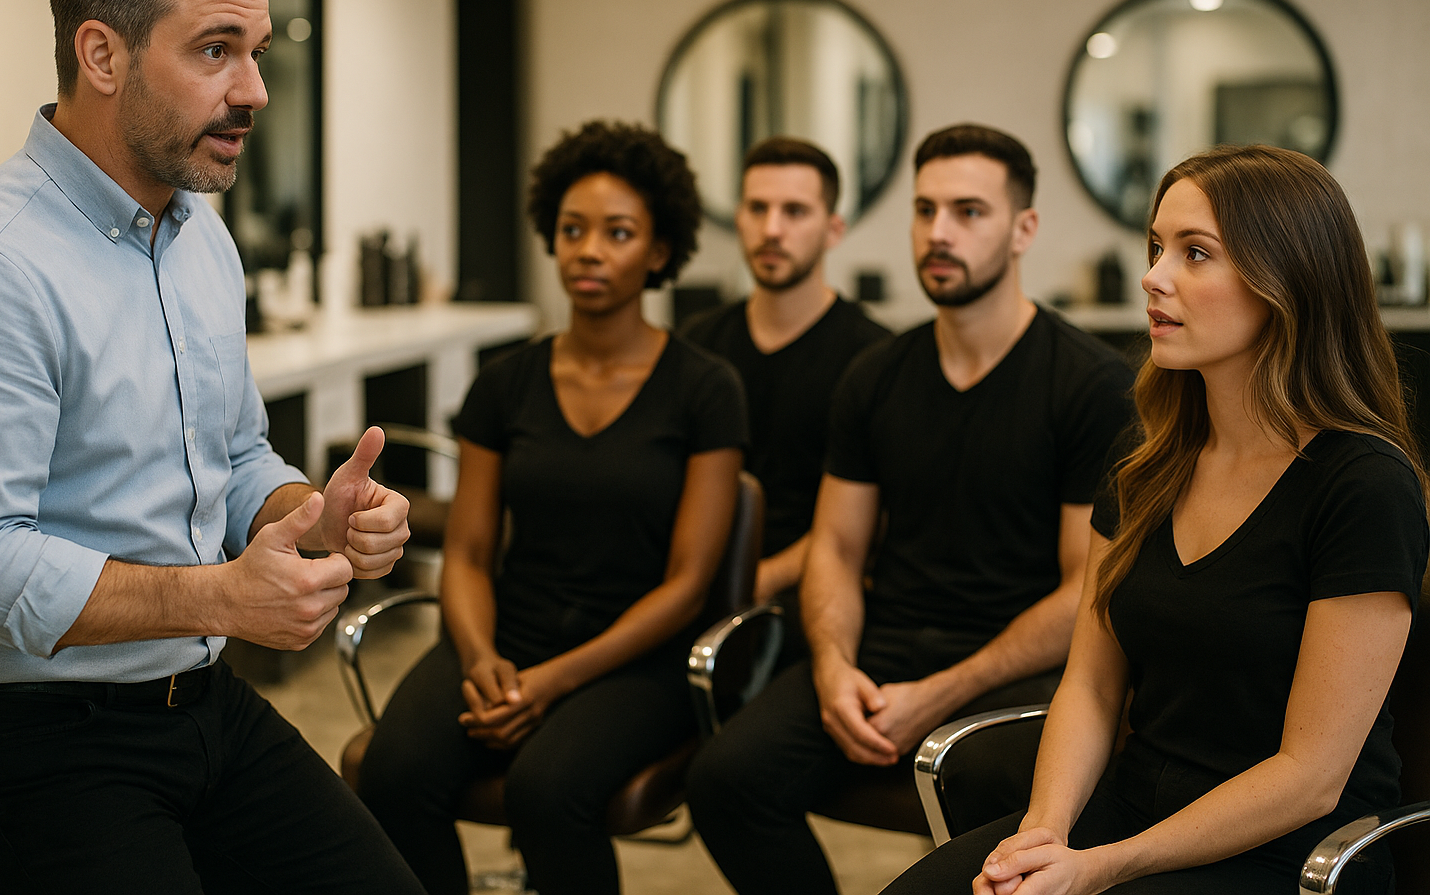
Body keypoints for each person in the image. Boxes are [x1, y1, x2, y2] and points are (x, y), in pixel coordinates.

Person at [0, 0, 424, 894]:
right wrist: (221, 594)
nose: (255, 90)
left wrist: (307, 515)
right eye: (217, 50)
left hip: (193, 699)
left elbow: (230, 456)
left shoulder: (195, 235)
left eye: (256, 52)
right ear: (103, 54)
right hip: (18, 737)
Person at [882, 145, 1429, 895]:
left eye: (1194, 253)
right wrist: (1042, 836)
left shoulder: (1363, 486)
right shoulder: (1146, 460)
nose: (1152, 276)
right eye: (1156, 247)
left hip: (1290, 855)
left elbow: (1309, 778)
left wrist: (1101, 867)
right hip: (1132, 811)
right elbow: (1093, 686)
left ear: (1287, 283)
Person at [686, 124, 1136, 895]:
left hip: (1020, 670)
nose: (938, 234)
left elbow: (1082, 592)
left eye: (968, 212)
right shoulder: (874, 376)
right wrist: (832, 669)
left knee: (997, 810)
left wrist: (942, 692)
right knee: (727, 780)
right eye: (925, 210)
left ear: (1024, 229)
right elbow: (836, 549)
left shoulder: (1088, 384)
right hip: (883, 651)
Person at [355, 121, 748, 895]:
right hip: (510, 636)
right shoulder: (506, 384)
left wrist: (554, 682)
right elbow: (466, 555)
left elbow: (689, 585)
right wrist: (481, 659)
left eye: (618, 232)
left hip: (639, 657)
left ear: (661, 251)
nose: (589, 250)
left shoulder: (706, 389)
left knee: (548, 789)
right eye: (572, 230)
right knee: (393, 772)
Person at [681, 137, 889, 656]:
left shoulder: (875, 358)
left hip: (811, 598)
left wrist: (761, 577)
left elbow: (874, 517)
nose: (772, 229)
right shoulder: (696, 345)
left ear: (833, 229)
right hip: (692, 581)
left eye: (795, 211)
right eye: (758, 209)